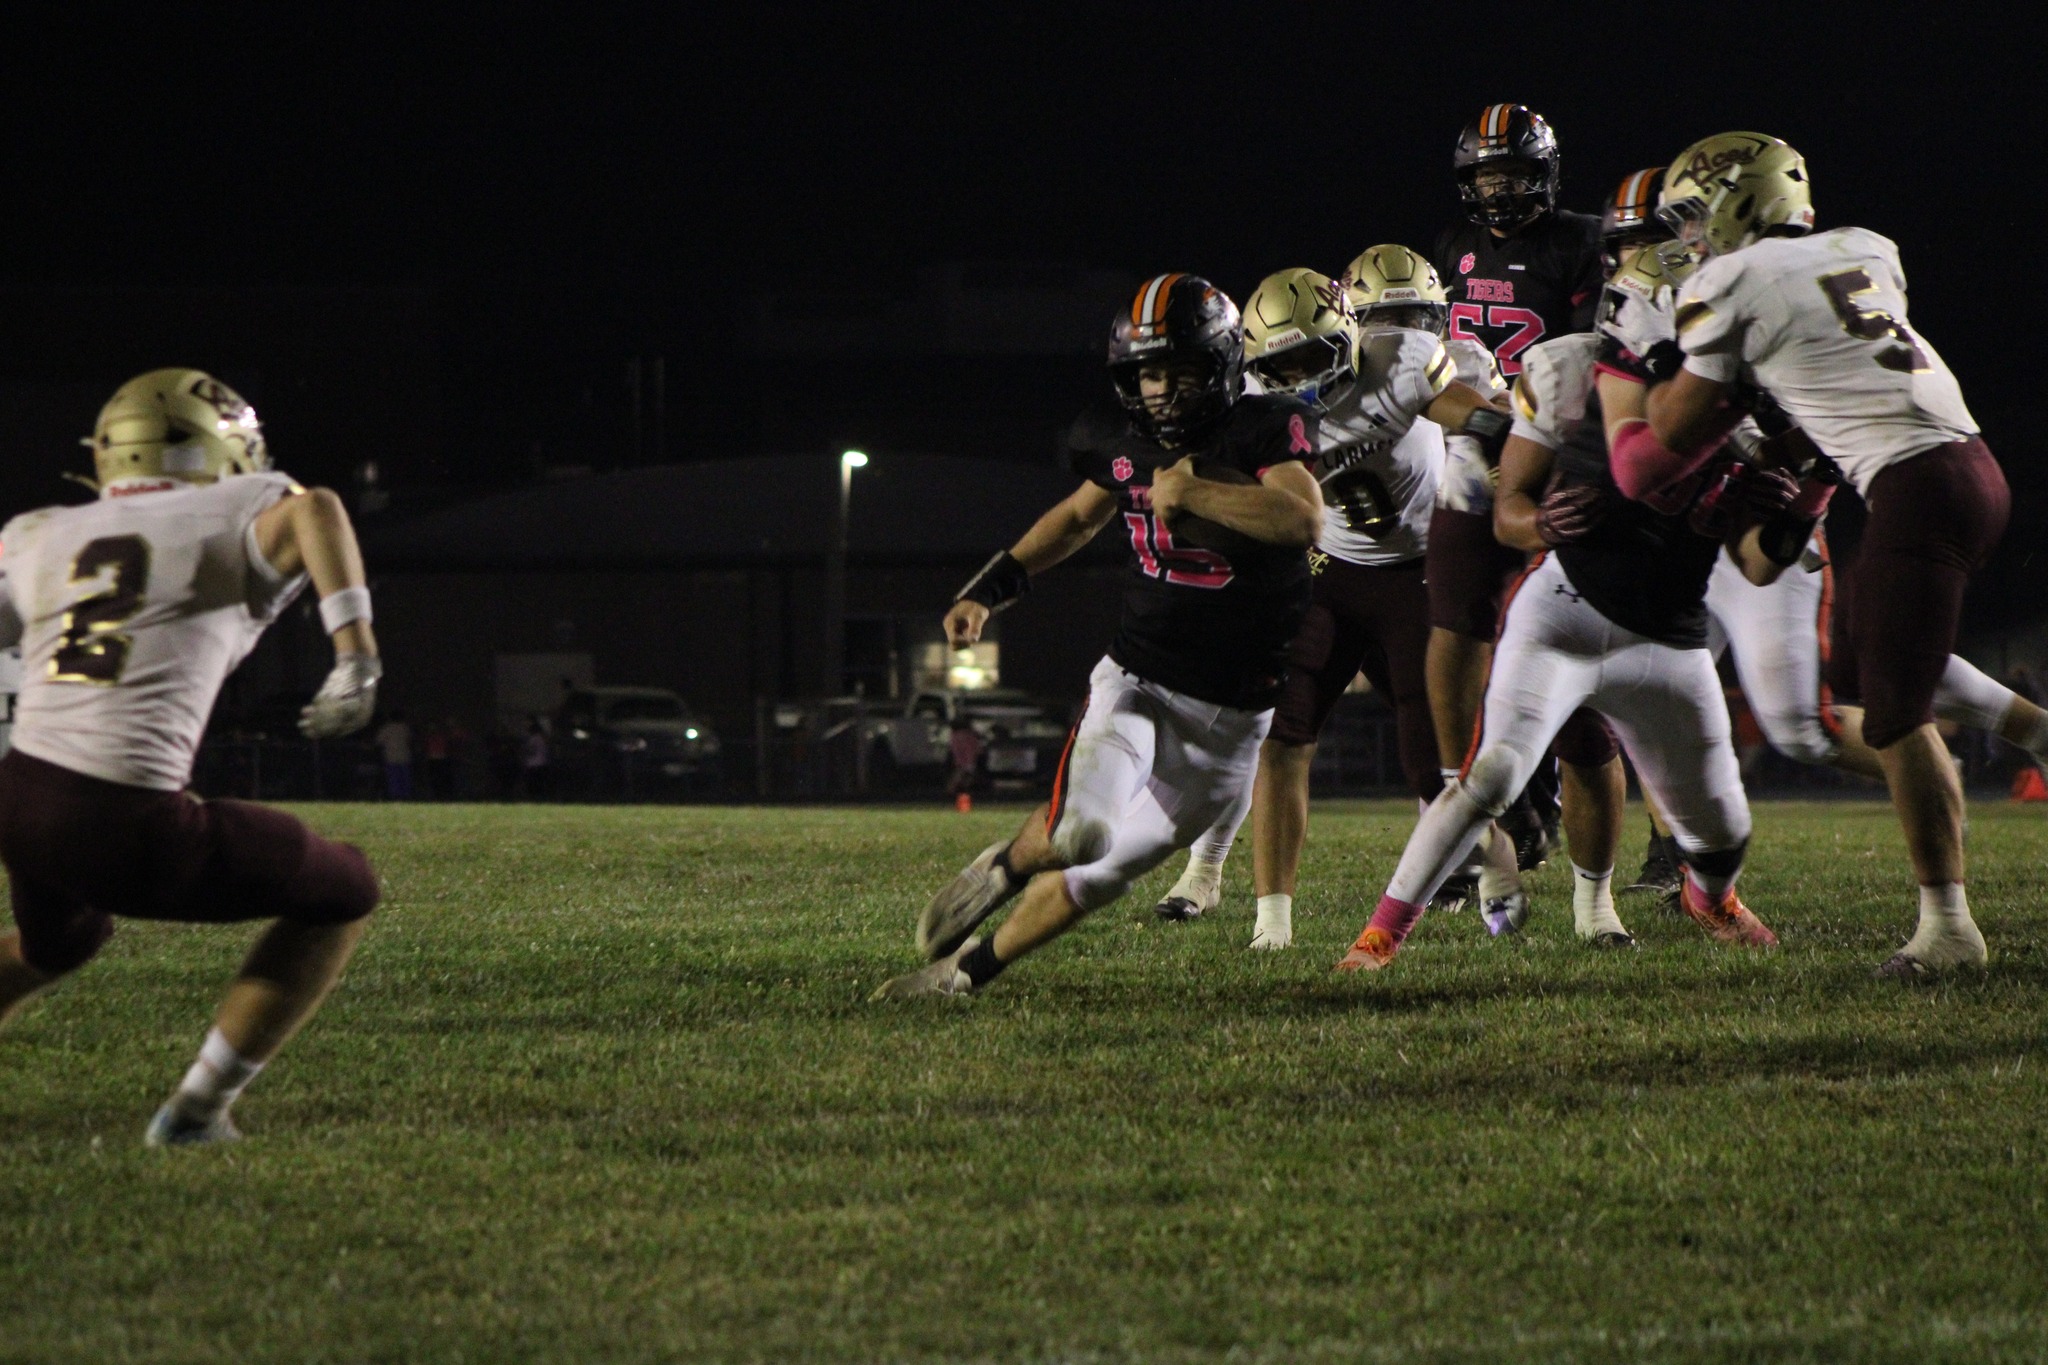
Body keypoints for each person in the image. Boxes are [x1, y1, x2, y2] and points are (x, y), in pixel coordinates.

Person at [1337, 242, 1815, 971]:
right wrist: (1545, 525)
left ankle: (1708, 895)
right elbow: (1510, 514)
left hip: (1669, 639)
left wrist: (1801, 501)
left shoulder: (1744, 417)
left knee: (1722, 833)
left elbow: (1756, 563)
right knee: (1490, 773)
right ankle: (1380, 936)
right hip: (1563, 610)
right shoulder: (1566, 372)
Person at [871, 274, 1323, 998]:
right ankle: (1008, 864)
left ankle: (962, 972)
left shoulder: (1263, 428)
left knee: (1103, 873)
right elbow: (1080, 517)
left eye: (1180, 370)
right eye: (1148, 373)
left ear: (1222, 364)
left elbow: (1302, 520)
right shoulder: (1118, 440)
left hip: (1236, 725)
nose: (1163, 392)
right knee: (1084, 830)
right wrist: (988, 589)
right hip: (1140, 681)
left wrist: (1196, 491)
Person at [1643, 133, 2012, 978]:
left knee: (1892, 717)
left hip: (1914, 482)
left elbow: (1671, 433)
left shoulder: (1726, 281)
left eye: (1699, 214)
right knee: (1863, 665)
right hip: (1971, 466)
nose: (1694, 236)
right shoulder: (1866, 247)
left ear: (1743, 200)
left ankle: (1949, 931)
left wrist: (1647, 372)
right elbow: (1833, 365)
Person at [0, 368, 382, 1144]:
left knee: (59, 943)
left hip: (18, 797)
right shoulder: (240, 502)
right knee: (346, 887)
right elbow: (318, 509)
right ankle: (197, 1113)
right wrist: (355, 652)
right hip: (120, 817)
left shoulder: (37, 531)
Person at [1148, 257, 1520, 947]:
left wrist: (1508, 438)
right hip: (1321, 568)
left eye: (1315, 357)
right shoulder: (1249, 404)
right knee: (1278, 736)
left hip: (1414, 567)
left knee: (1436, 753)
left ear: (1350, 332)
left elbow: (1477, 421)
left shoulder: (1401, 357)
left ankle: (1490, 862)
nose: (1301, 380)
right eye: (1281, 367)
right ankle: (1269, 920)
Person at [1430, 103, 1609, 872]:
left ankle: (1660, 833)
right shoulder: (1453, 244)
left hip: (1557, 451)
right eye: (1488, 174)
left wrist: (1535, 431)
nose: (1501, 189)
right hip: (1475, 456)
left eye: (1515, 173)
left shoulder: (1579, 240)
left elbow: (1593, 353)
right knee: (1463, 623)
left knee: (1585, 641)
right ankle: (1483, 790)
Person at [375, 709, 413, 799]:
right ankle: (406, 795)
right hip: (404, 756)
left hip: (390, 756)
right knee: (405, 778)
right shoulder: (405, 728)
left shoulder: (386, 729)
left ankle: (395, 796)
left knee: (393, 778)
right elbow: (410, 740)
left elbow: (378, 742)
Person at [945, 715, 983, 803]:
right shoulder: (969, 735)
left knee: (960, 774)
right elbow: (974, 748)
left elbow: (953, 748)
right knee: (965, 775)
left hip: (959, 758)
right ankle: (961, 791)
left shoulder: (954, 735)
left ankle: (954, 791)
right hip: (968, 759)